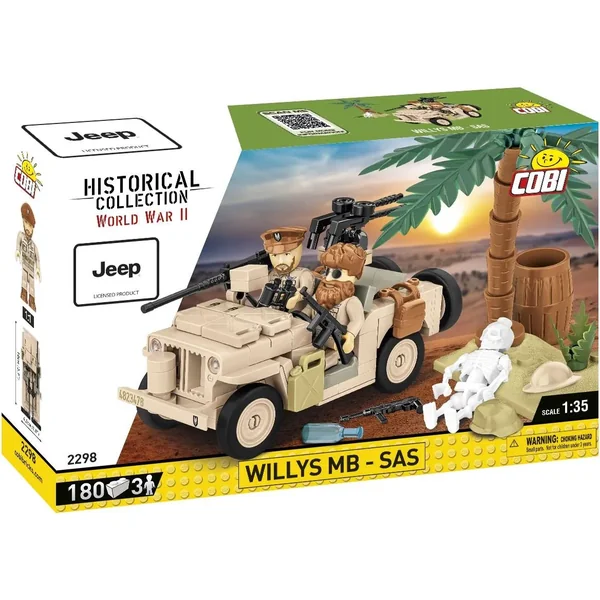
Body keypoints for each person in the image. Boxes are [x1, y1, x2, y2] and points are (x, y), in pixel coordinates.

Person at [306, 242, 367, 356]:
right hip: (311, 337)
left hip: (335, 343)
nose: (328, 278)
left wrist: (350, 336)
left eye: (336, 273)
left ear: (353, 276)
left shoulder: (350, 302)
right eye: (327, 271)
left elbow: (357, 320)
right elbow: (308, 309)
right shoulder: (319, 295)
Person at [260, 226, 315, 310]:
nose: (280, 261)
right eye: (275, 255)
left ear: (299, 251)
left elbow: (305, 292)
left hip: (293, 315)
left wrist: (296, 297)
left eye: (286, 254)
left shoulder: (304, 274)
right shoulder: (271, 274)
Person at [16, 203, 41, 311]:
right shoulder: (21, 235)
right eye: (26, 223)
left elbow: (37, 259)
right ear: (23, 222)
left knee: (31, 287)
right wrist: (17, 251)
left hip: (31, 268)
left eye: (30, 225)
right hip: (24, 265)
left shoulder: (34, 246)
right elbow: (18, 243)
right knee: (23, 282)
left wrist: (38, 270)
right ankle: (23, 297)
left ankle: (32, 302)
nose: (28, 228)